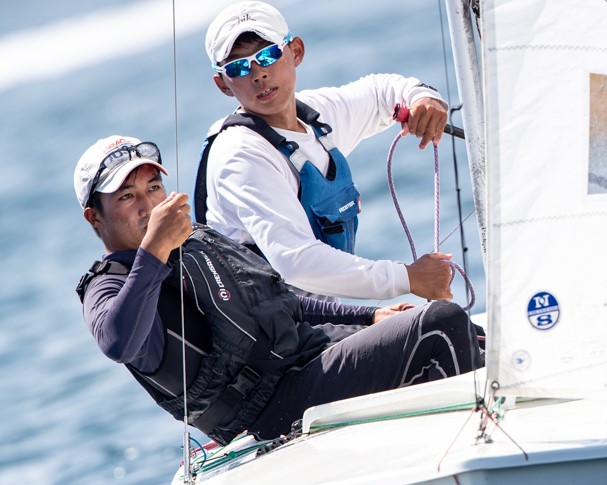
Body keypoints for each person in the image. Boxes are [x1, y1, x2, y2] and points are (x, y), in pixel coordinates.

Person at [74, 135, 482, 445]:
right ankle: (476, 449)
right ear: (95, 217)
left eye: (153, 188)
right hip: (267, 409)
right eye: (127, 196)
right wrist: (154, 252)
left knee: (472, 331)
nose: (147, 206)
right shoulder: (108, 285)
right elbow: (118, 343)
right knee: (440, 324)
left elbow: (275, 299)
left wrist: (368, 315)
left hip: (306, 361)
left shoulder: (193, 239)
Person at [197, 1, 455, 302]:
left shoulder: (315, 114)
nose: (258, 74)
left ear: (296, 51)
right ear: (223, 84)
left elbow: (379, 93)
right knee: (443, 322)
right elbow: (296, 262)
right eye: (238, 67)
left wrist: (423, 98)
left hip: (321, 320)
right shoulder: (241, 155)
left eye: (267, 55)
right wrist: (406, 278)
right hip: (274, 331)